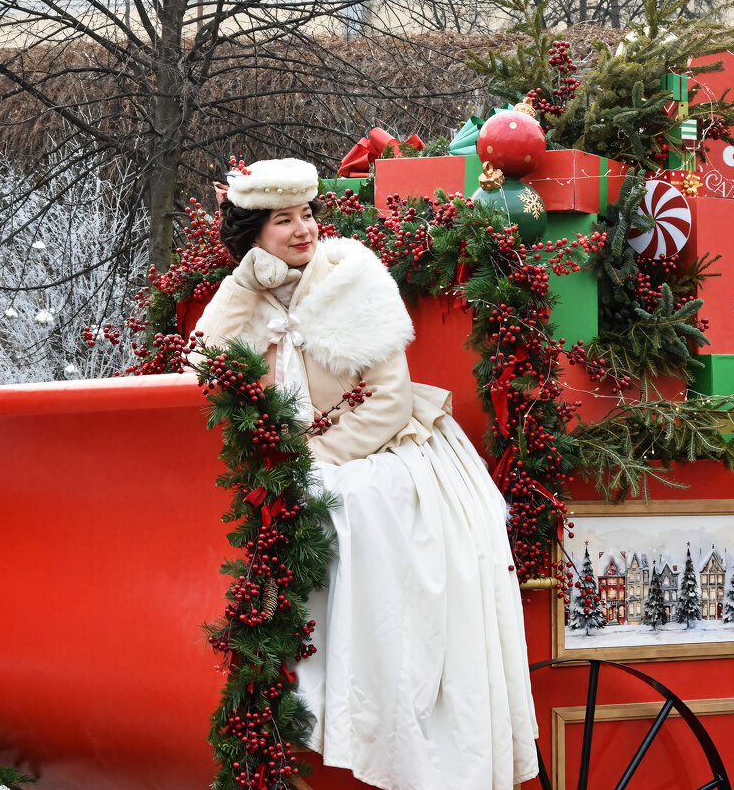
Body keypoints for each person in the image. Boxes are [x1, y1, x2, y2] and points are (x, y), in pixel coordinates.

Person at [192, 158, 538, 790]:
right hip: (283, 459)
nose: (303, 230)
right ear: (252, 233)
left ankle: (366, 707)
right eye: (283, 220)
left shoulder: (353, 274)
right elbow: (205, 375)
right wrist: (243, 286)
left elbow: (389, 401)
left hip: (386, 449)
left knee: (344, 502)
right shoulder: (242, 293)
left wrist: (310, 463)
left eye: (307, 214)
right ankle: (279, 691)